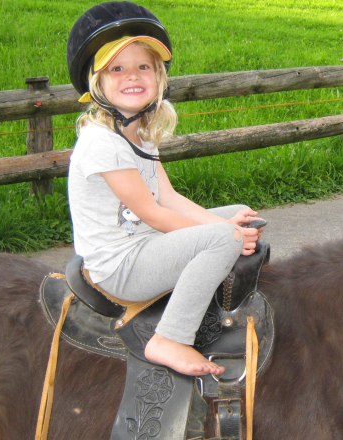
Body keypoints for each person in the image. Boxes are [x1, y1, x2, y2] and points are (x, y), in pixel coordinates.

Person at [66, 1, 262, 377]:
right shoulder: (101, 142)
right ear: (97, 83)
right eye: (117, 68)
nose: (132, 76)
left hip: (146, 242)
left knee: (235, 214)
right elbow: (153, 213)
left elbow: (168, 197)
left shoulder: (138, 133)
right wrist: (225, 235)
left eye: (143, 66)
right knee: (222, 239)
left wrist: (224, 223)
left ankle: (223, 245)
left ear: (158, 76)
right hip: (122, 267)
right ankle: (170, 337)